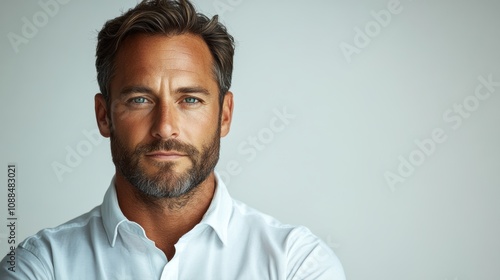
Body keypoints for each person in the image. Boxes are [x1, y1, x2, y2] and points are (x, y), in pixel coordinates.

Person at [1, 0, 345, 279]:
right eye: (140, 99)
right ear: (104, 115)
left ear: (224, 115)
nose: (165, 127)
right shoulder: (39, 266)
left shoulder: (297, 263)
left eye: (190, 100)